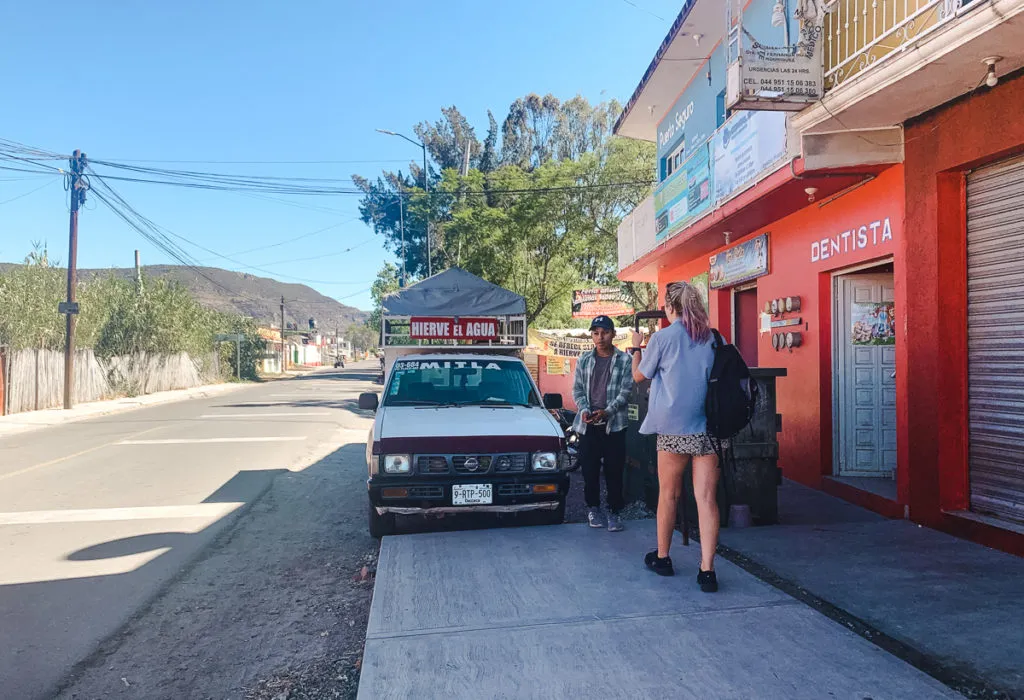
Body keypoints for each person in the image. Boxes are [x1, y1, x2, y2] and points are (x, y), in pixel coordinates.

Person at [629, 282, 725, 593]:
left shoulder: (663, 337)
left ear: (670, 307)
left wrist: (635, 349)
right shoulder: (713, 338)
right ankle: (707, 570)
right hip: (709, 428)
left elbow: (639, 376)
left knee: (668, 495)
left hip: (673, 428)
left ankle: (663, 557)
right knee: (707, 499)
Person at [572, 316, 634, 533]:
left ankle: (614, 512)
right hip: (588, 425)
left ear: (613, 334)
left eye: (605, 332)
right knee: (589, 471)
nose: (600, 337)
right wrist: (585, 409)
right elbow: (577, 390)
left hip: (614, 425)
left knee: (614, 471)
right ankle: (593, 508)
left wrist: (607, 411)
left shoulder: (624, 360)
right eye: (596, 332)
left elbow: (626, 390)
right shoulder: (584, 360)